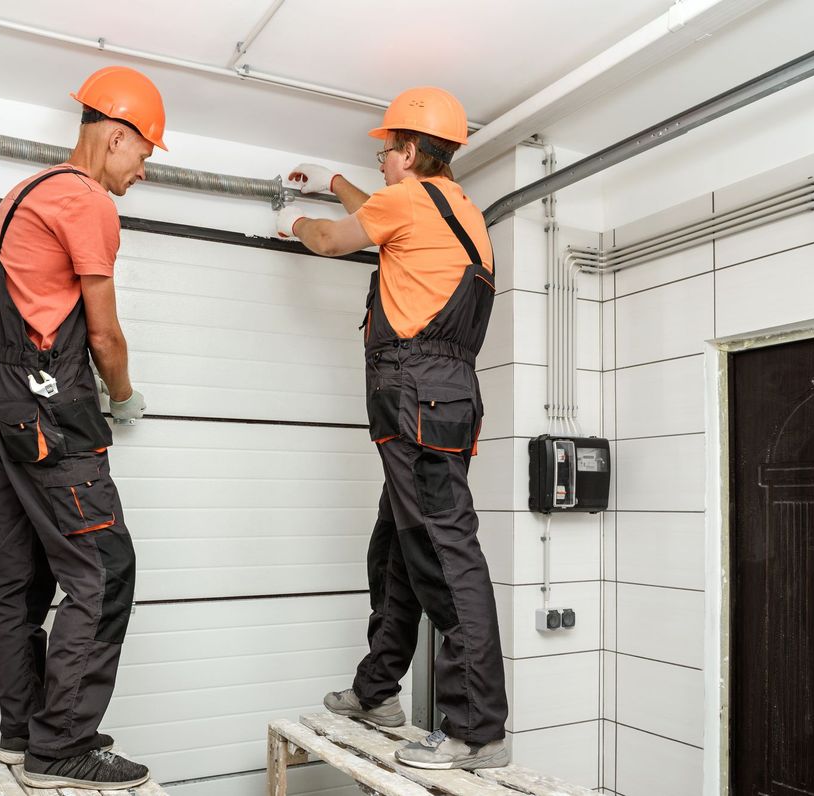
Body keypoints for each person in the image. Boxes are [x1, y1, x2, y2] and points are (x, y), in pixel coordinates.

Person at [276, 86, 509, 770]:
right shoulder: (454, 209)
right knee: (397, 547)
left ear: (410, 152)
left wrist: (292, 221)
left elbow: (329, 239)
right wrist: (336, 182)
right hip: (442, 395)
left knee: (440, 553)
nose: (381, 161)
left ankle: (476, 731)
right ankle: (377, 691)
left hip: (416, 394)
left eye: (385, 151)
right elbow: (377, 218)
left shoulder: (408, 201)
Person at [0, 65, 163, 790]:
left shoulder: (22, 196)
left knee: (20, 577)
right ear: (115, 136)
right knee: (105, 570)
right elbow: (105, 336)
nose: (141, 172)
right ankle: (65, 744)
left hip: (9, 401)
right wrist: (123, 396)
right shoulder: (86, 202)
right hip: (54, 405)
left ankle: (22, 734)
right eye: (142, 156)